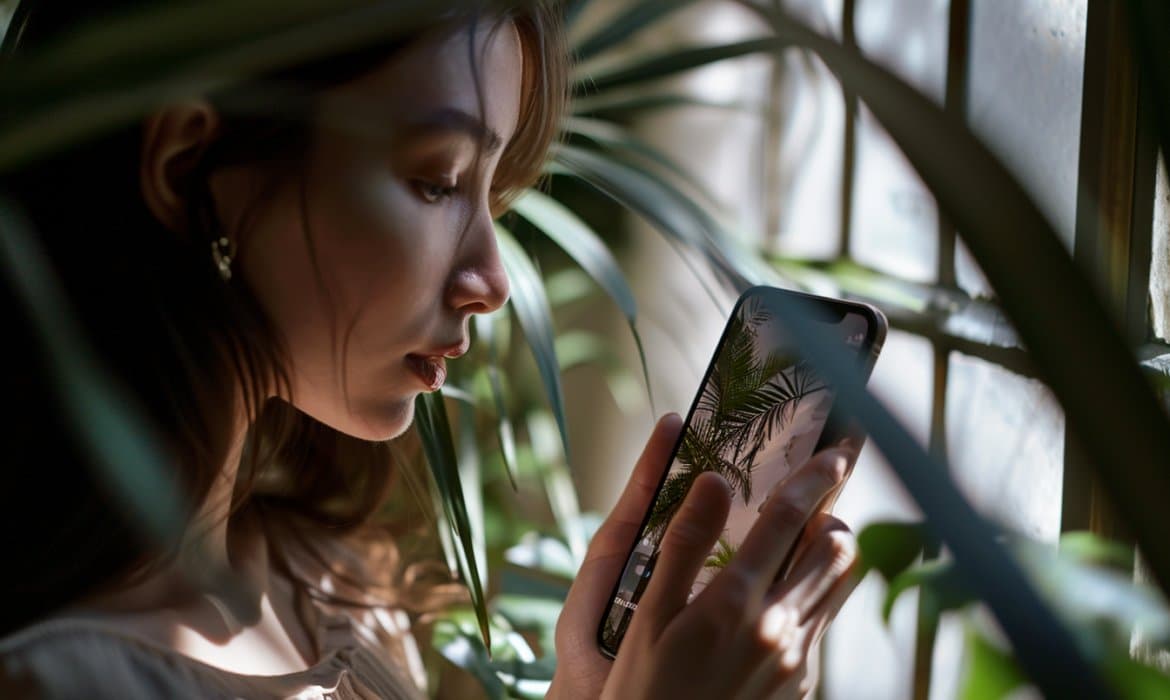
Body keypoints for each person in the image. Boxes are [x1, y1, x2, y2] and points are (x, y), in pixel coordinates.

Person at [0, 1, 861, 697]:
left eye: (494, 196)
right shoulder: (56, 676)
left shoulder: (326, 581)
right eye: (437, 181)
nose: (493, 276)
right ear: (189, 167)